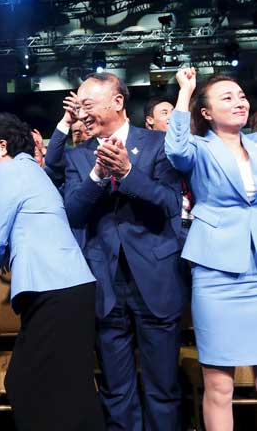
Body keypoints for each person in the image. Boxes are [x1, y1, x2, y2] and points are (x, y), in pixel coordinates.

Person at [63, 72, 188, 431]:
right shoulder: (79, 157)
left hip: (156, 279)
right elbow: (73, 212)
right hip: (105, 284)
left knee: (162, 388)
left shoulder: (156, 144)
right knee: (117, 390)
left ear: (117, 102)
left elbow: (169, 202)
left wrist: (129, 172)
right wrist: (99, 176)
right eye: (79, 106)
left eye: (88, 104)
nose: (82, 113)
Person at [0, 112, 103, 430]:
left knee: (22, 382)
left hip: (54, 288)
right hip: (69, 286)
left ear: (2, 146)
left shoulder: (9, 170)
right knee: (72, 386)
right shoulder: (32, 170)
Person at [165, 67, 257, 431]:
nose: (239, 102)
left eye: (241, 95)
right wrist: (185, 91)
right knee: (220, 383)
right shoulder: (198, 148)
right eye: (227, 97)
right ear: (205, 113)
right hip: (218, 273)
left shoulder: (256, 143)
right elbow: (175, 148)